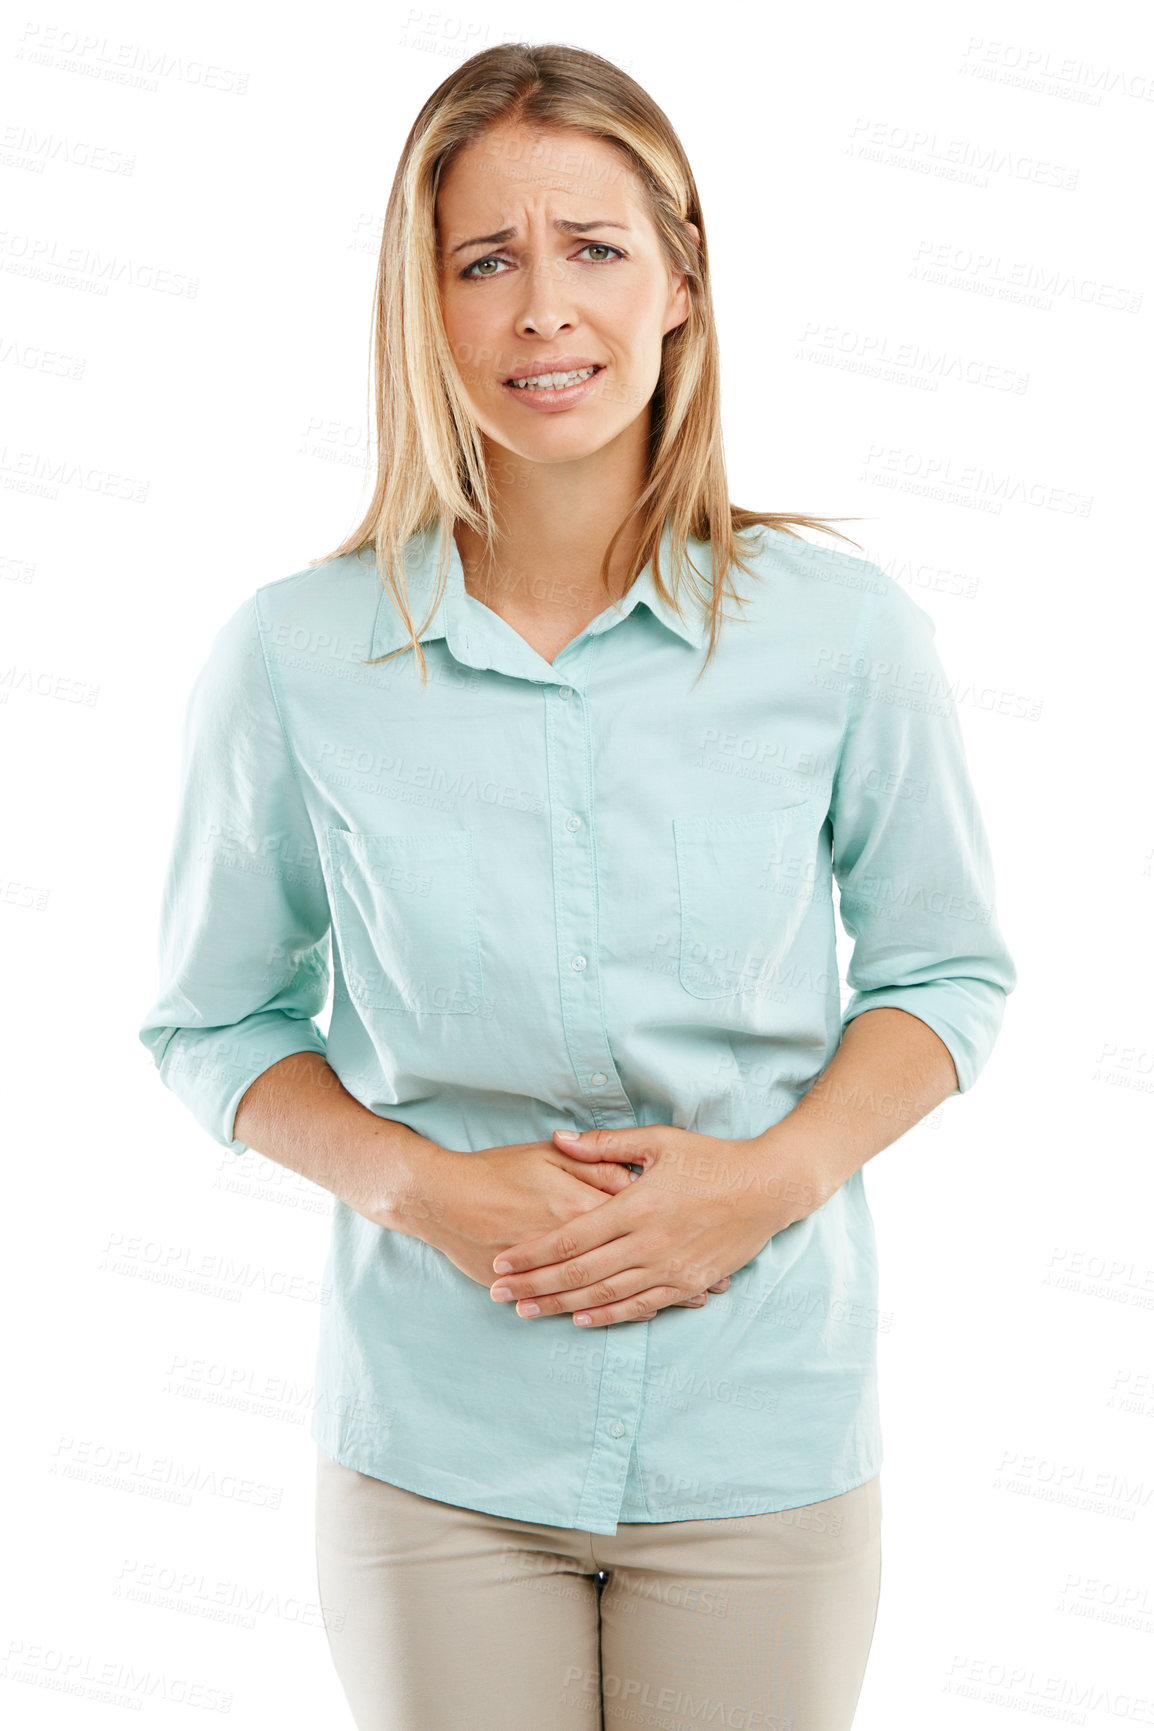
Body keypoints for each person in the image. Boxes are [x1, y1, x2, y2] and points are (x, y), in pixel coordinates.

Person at [138, 40, 1016, 1731]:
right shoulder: (293, 656)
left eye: (594, 249)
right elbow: (211, 1018)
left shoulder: (839, 633)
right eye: (487, 260)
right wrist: (412, 1186)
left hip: (759, 1423)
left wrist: (771, 1177)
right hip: (435, 1448)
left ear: (679, 285)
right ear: (427, 305)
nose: (545, 310)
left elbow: (943, 974)